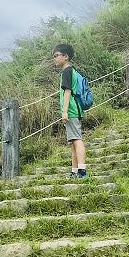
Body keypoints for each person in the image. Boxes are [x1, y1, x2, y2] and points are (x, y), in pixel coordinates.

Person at [52, 43, 88, 180]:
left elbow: (67, 92)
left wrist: (65, 112)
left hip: (71, 110)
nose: (55, 58)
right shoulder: (70, 71)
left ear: (66, 56)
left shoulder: (67, 71)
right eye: (54, 56)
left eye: (57, 55)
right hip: (74, 110)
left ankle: (82, 171)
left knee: (77, 140)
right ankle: (74, 171)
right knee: (73, 140)